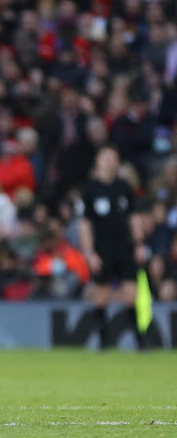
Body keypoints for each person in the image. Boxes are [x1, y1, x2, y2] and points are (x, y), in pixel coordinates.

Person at [79, 145, 145, 349]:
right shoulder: (89, 190)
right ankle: (103, 342)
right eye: (106, 157)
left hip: (125, 247)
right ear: (98, 162)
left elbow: (134, 217)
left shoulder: (124, 187)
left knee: (131, 295)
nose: (110, 161)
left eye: (113, 158)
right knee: (102, 295)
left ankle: (141, 342)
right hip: (102, 248)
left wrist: (139, 244)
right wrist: (89, 253)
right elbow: (85, 224)